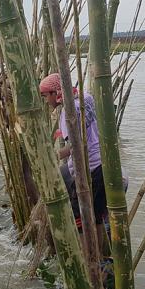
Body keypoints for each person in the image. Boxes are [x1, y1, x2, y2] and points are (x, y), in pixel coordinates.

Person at [38, 73, 109, 254]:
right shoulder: (87, 98)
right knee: (98, 218)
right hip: (102, 164)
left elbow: (74, 147)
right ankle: (98, 259)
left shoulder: (68, 111)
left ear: (55, 93)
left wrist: (53, 155)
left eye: (46, 96)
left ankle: (87, 264)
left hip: (87, 169)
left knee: (80, 222)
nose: (46, 101)